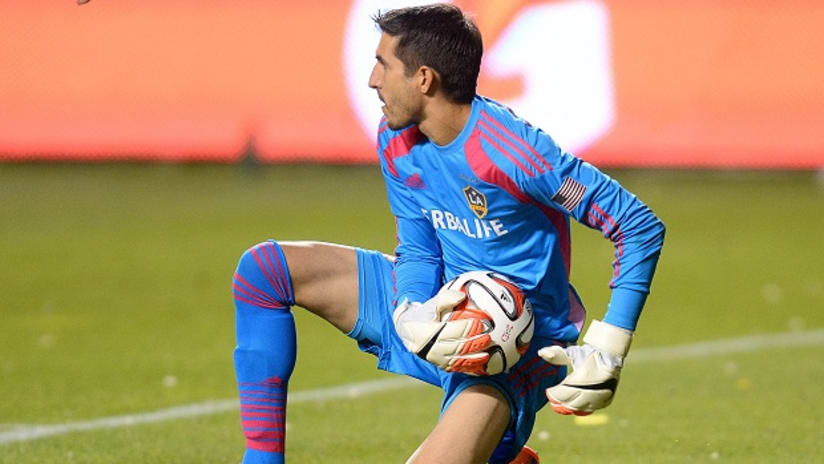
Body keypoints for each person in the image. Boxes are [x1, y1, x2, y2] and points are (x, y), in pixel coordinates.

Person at [231, 4, 665, 464]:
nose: (372, 81)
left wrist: (609, 346)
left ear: (423, 78)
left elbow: (636, 226)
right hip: (437, 304)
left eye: (383, 65)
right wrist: (409, 311)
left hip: (512, 350)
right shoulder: (396, 138)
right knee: (265, 271)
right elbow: (417, 245)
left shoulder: (513, 152)